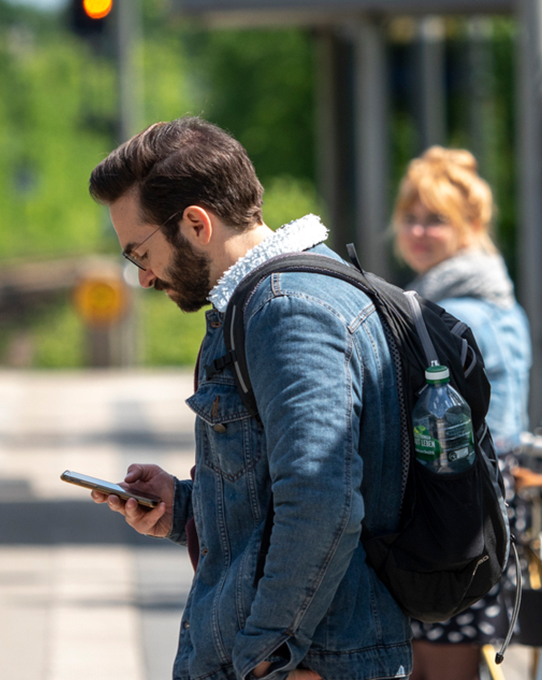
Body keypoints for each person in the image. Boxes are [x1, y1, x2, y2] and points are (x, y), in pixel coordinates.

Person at [86, 117, 411, 680]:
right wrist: (182, 509)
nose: (142, 278)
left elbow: (320, 497)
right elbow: (278, 495)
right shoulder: (291, 294)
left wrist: (265, 653)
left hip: (309, 661)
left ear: (195, 223)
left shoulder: (289, 311)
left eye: (139, 253)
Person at [392, 146, 531, 680]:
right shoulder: (493, 296)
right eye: (411, 219)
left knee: (441, 666)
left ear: (470, 226)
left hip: (461, 507)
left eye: (436, 221)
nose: (419, 232)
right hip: (486, 501)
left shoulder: (456, 309)